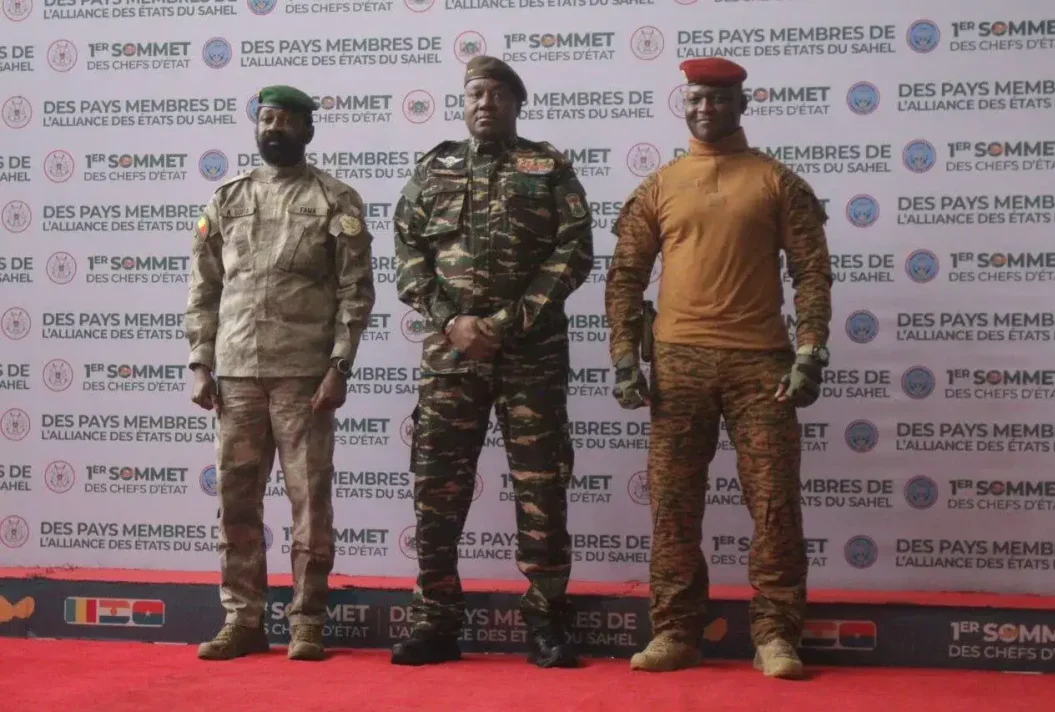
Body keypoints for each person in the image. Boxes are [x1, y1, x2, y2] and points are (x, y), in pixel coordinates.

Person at [605, 57, 832, 679]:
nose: (705, 109)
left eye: (718, 99)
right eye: (696, 99)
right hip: (677, 365)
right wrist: (625, 358)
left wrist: (811, 351)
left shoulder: (777, 181)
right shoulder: (659, 185)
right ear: (686, 103)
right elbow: (624, 275)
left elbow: (811, 272)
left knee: (775, 502)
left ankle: (777, 637)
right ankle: (676, 631)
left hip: (763, 365)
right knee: (674, 506)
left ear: (741, 104)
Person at [391, 56, 594, 668]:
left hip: (530, 357)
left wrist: (506, 325)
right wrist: (451, 322)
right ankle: (437, 620)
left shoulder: (549, 168)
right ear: (464, 100)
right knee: (436, 491)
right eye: (476, 93)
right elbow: (407, 249)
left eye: (498, 95)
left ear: (516, 104)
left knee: (541, 487)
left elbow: (573, 252)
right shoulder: (434, 170)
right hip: (450, 358)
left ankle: (547, 621)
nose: (486, 104)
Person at [185, 85, 376, 662]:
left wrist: (340, 365)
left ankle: (306, 622)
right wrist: (200, 361)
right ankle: (243, 620)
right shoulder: (227, 198)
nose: (275, 128)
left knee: (310, 503)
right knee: (237, 502)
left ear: (307, 131)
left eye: (287, 120)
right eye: (267, 119)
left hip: (303, 376)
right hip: (237, 373)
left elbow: (355, 292)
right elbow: (204, 286)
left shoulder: (334, 199)